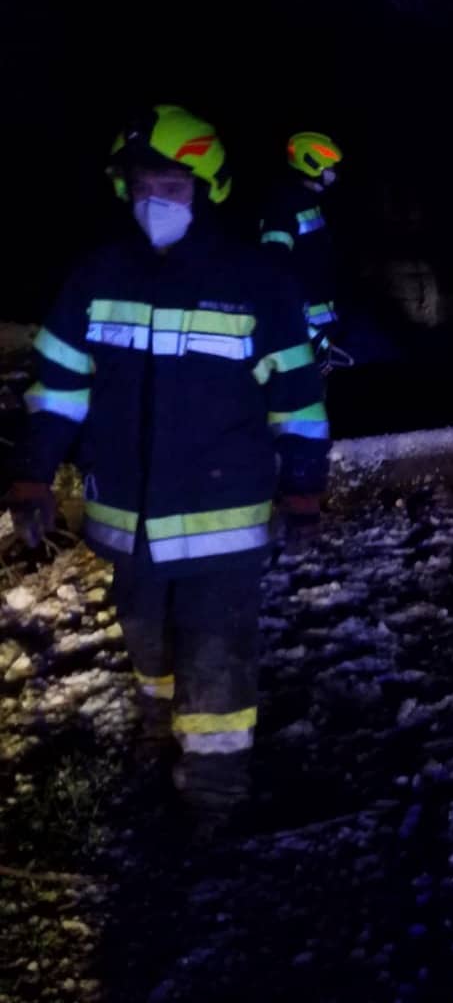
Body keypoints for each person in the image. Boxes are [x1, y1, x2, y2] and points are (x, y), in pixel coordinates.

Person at [2, 104, 330, 836]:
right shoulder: (95, 276)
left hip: (223, 524)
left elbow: (298, 402)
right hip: (127, 519)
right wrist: (32, 474)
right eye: (143, 185)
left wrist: (304, 489)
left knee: (215, 652)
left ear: (207, 191)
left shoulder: (258, 282)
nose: (156, 201)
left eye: (173, 187)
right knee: (147, 638)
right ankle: (160, 734)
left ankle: (214, 796)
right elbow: (57, 389)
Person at [260, 131, 345, 371]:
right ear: (313, 165)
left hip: (323, 326)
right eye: (330, 167)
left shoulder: (310, 201)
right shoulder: (284, 204)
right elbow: (274, 268)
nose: (334, 173)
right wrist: (305, 328)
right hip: (304, 331)